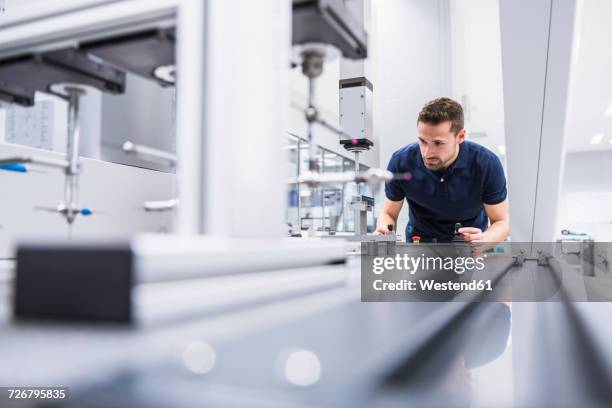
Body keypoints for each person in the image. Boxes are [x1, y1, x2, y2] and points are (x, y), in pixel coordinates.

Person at [375, 97, 509, 243]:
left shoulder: (486, 164)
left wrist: (485, 239)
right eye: (423, 141)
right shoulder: (401, 162)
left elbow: (502, 221)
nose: (427, 153)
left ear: (461, 136)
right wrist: (384, 231)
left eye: (438, 143)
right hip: (419, 245)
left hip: (469, 247)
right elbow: (388, 213)